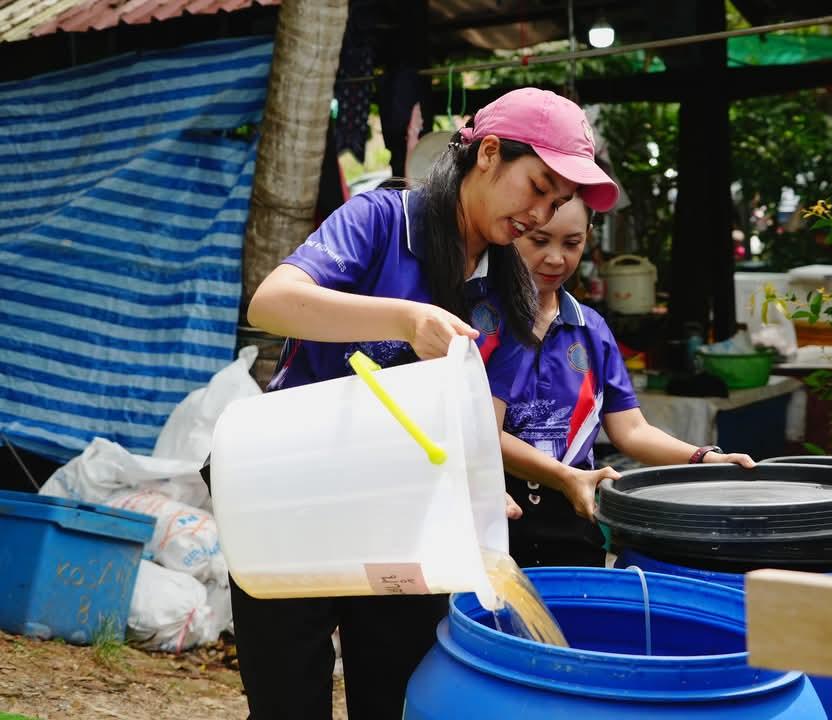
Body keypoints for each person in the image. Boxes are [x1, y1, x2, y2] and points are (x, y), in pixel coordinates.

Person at [240, 88, 619, 720]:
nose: (540, 213)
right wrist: (407, 319)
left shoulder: (511, 294)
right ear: (489, 154)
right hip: (294, 495)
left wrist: (480, 482)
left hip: (405, 514)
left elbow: (474, 424)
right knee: (288, 700)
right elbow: (271, 303)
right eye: (537, 187)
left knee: (394, 697)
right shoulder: (382, 221)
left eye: (556, 202)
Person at [486, 195, 755, 569]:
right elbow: (480, 432)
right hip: (493, 515)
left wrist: (705, 458)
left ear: (588, 237)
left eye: (572, 243)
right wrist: (564, 477)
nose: (556, 258)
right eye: (539, 240)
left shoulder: (591, 329)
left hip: (575, 518)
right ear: (511, 231)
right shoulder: (480, 320)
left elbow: (631, 430)